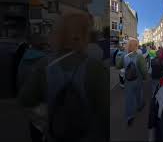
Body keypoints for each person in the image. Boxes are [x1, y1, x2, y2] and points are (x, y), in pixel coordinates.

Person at [18, 13, 108, 141]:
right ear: (83, 36)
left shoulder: (44, 65)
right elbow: (105, 114)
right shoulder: (95, 68)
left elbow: (25, 100)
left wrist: (46, 120)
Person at [17, 34, 49, 142]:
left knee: (35, 130)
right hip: (44, 104)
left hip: (31, 104)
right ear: (43, 45)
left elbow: (20, 79)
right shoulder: (46, 61)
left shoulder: (24, 59)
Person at [116, 38, 148, 126]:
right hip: (138, 80)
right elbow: (144, 70)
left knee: (129, 99)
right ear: (136, 47)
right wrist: (145, 78)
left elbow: (118, 66)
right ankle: (140, 105)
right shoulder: (139, 57)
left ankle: (129, 117)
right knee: (139, 93)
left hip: (128, 81)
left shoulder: (124, 56)